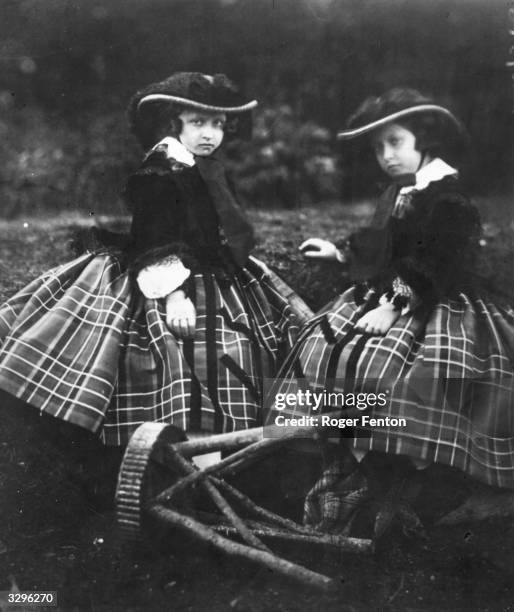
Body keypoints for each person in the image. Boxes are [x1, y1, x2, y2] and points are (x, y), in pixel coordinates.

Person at [0, 72, 308, 451]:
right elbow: (154, 238)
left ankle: (258, 446)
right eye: (198, 123)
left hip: (214, 265)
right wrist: (176, 295)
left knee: (261, 340)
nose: (209, 133)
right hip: (168, 270)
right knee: (193, 349)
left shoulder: (208, 167)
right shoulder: (160, 172)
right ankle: (194, 451)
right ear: (174, 124)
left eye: (218, 124)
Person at [266, 88, 514, 533]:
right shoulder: (399, 191)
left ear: (425, 142)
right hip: (392, 293)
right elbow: (381, 242)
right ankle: (357, 465)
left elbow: (435, 262)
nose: (386, 155)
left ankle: (421, 477)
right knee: (328, 345)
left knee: (412, 370)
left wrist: (396, 304)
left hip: (438, 301)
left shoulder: (447, 199)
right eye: (378, 146)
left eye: (396, 142)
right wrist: (340, 253)